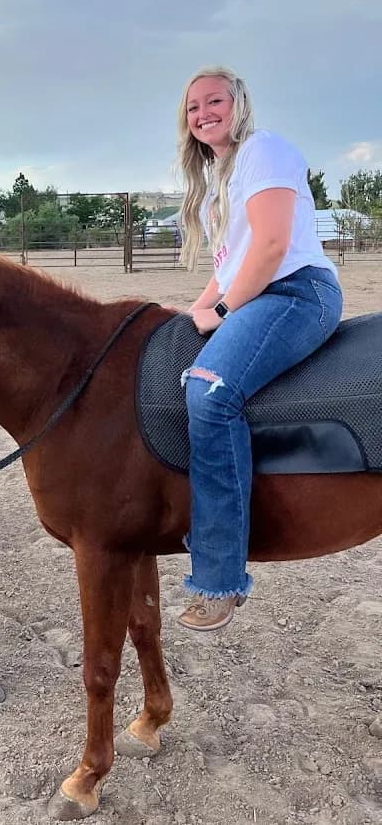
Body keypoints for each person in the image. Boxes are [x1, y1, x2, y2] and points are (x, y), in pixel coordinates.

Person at [175, 66, 342, 632]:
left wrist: (220, 315)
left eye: (214, 100)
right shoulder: (219, 177)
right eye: (193, 107)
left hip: (297, 292)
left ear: (238, 103)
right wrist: (194, 312)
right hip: (258, 294)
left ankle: (219, 578)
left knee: (211, 392)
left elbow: (270, 246)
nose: (203, 113)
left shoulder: (262, 151)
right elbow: (228, 268)